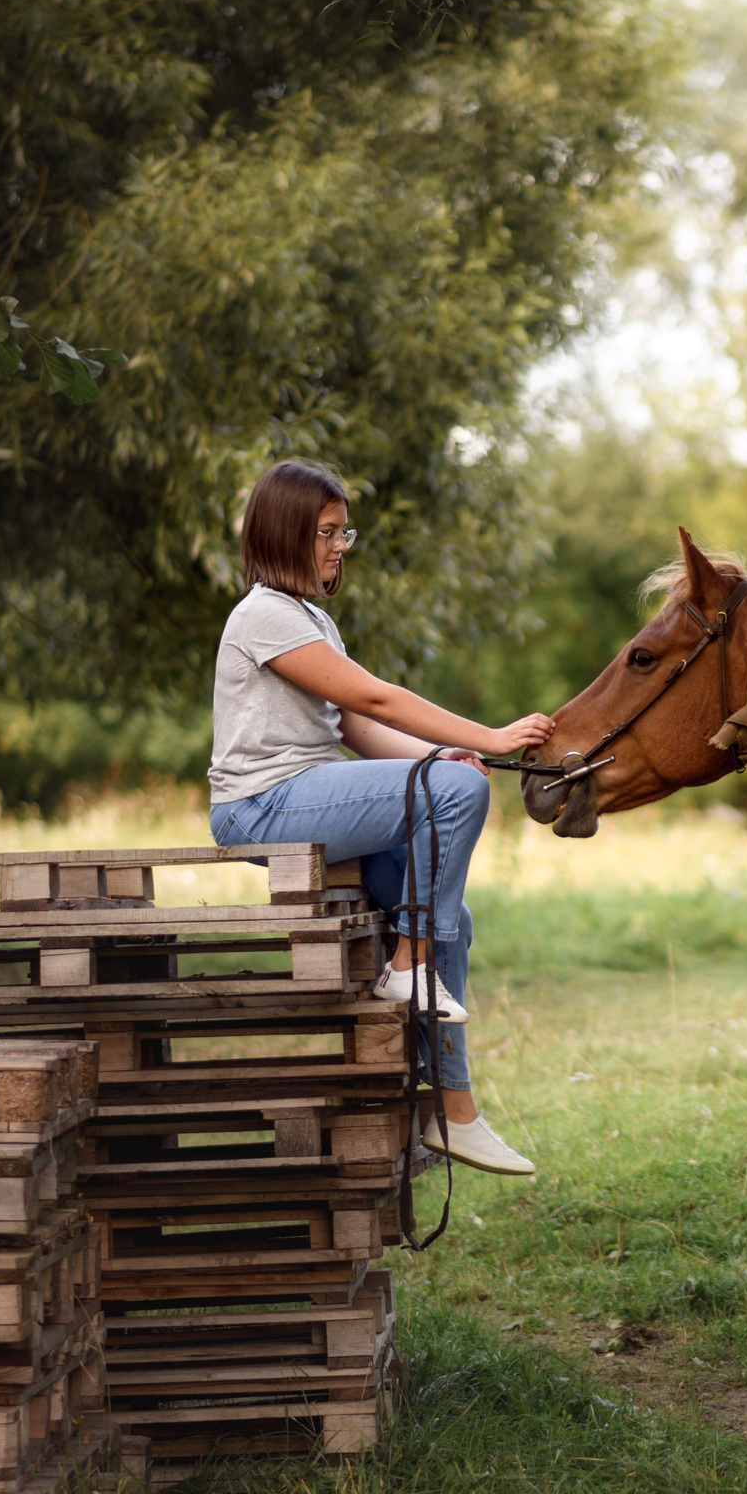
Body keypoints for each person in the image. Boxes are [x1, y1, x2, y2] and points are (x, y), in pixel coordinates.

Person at [205, 459, 550, 1174]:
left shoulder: (312, 619)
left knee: (454, 912)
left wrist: (445, 752)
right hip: (260, 805)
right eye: (328, 532)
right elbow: (377, 699)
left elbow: (357, 730)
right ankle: (407, 968)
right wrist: (487, 736)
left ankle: (450, 1112)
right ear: (287, 531)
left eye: (342, 532)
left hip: (312, 788)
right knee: (453, 797)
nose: (339, 546)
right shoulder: (263, 611)